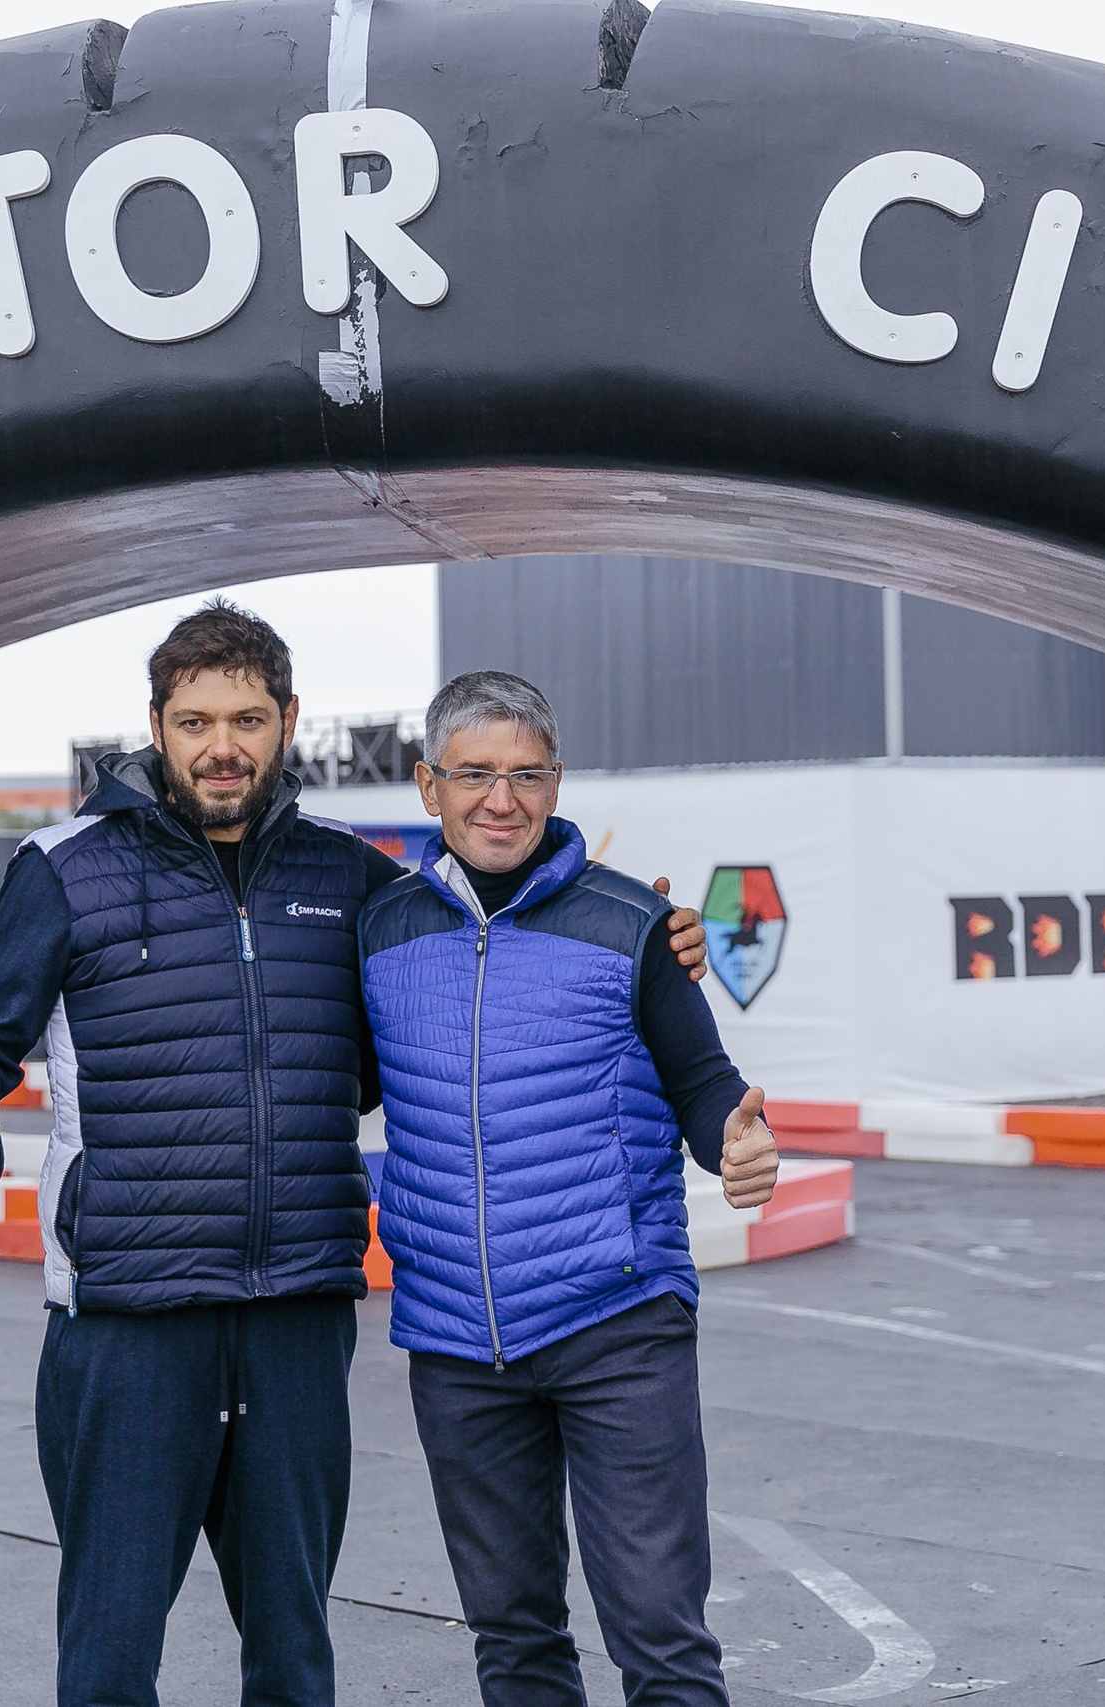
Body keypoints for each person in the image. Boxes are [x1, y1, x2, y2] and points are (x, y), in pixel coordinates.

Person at [0, 604, 710, 1707]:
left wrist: (659, 945)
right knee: (108, 1653)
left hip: (297, 1314)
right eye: (194, 720)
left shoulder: (351, 881)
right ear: (154, 725)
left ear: (288, 723)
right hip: (129, 1318)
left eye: (245, 717)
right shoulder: (63, 870)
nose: (220, 744)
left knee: (292, 1653)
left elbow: (470, 973)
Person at [358, 669, 781, 1707]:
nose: (500, 800)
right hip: (457, 1345)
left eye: (526, 775)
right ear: (427, 787)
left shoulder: (630, 923)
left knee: (659, 1639)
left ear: (556, 783)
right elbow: (330, 1078)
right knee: (512, 1639)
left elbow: (704, 1086)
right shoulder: (379, 932)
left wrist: (737, 1142)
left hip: (617, 1324)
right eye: (474, 775)